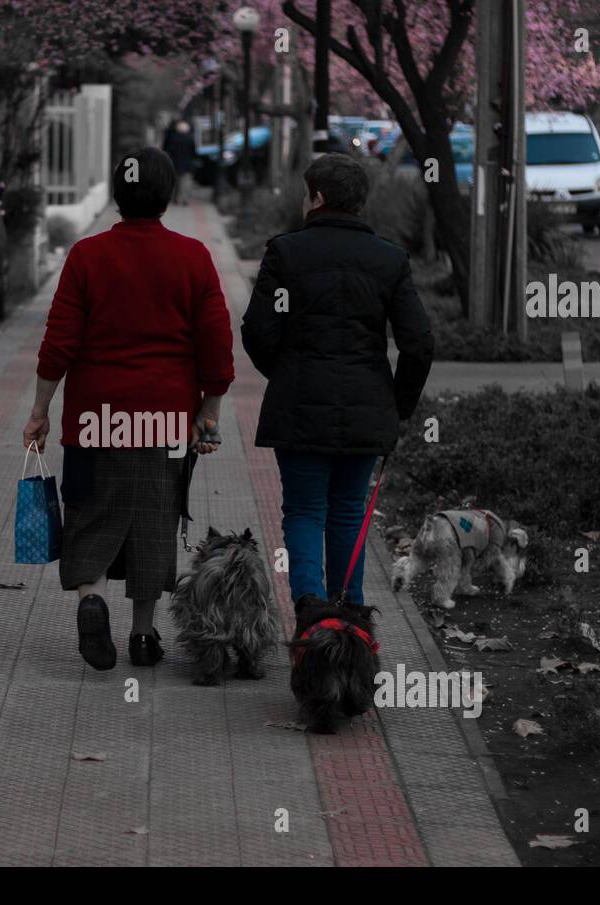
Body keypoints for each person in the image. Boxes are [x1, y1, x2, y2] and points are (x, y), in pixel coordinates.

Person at [25, 145, 233, 671]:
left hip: (96, 416)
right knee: (154, 520)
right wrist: (207, 413)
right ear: (167, 195)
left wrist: (40, 410)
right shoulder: (192, 257)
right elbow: (216, 348)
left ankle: (91, 600)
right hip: (164, 417)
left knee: (92, 516)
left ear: (117, 194)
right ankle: (143, 636)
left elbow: (59, 343)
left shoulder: (88, 256)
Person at [240, 153, 433, 612]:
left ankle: (309, 606)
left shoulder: (285, 253)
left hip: (300, 405)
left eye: (307, 194)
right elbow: (419, 343)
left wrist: (286, 373)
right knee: (349, 512)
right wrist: (399, 406)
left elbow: (257, 331)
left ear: (318, 198)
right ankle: (349, 614)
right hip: (368, 408)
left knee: (304, 511)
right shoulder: (388, 260)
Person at [161, 119, 198, 206]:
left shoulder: (173, 138)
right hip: (187, 163)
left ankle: (177, 199)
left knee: (176, 181)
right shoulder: (189, 139)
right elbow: (194, 152)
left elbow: (166, 149)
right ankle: (186, 199)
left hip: (175, 161)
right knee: (186, 181)